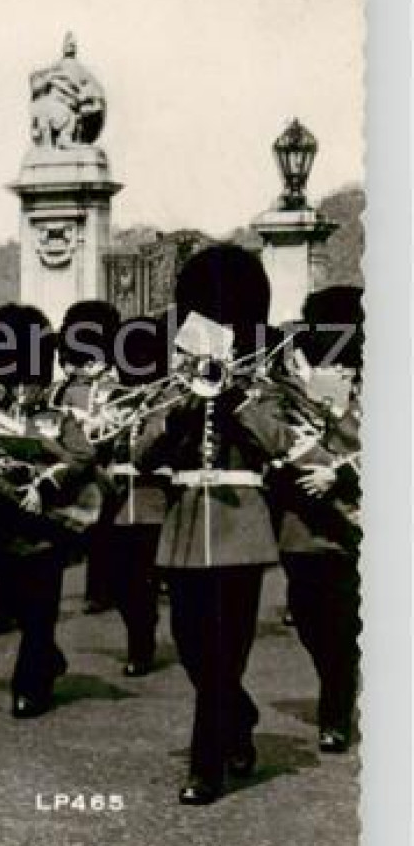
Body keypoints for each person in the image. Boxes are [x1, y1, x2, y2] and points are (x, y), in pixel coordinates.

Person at [135, 244, 292, 806]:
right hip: (183, 533)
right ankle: (240, 716)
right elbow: (142, 451)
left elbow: (282, 446)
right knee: (192, 647)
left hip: (238, 530)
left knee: (226, 652)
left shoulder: (263, 387)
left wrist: (236, 403)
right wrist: (179, 408)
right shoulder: (171, 390)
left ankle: (206, 768)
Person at [0, 303, 96, 720]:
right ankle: (46, 655)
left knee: (41, 606)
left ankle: (30, 685)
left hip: (46, 524)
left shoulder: (56, 412)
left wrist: (45, 477)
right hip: (0, 523)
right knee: (19, 601)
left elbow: (81, 457)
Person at [272, 286, 363, 754]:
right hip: (302, 525)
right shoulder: (302, 385)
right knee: (308, 618)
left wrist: (337, 473)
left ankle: (336, 711)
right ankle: (337, 677)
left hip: (351, 523)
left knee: (343, 622)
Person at [102, 316, 171, 677]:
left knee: (143, 578)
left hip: (152, 501)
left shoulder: (168, 397)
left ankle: (141, 643)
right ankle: (140, 629)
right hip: (115, 504)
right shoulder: (113, 396)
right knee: (119, 582)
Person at [53, 300, 122, 614]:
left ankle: (108, 589)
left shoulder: (116, 385)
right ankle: (97, 589)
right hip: (82, 462)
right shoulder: (67, 389)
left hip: (111, 463)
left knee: (110, 531)